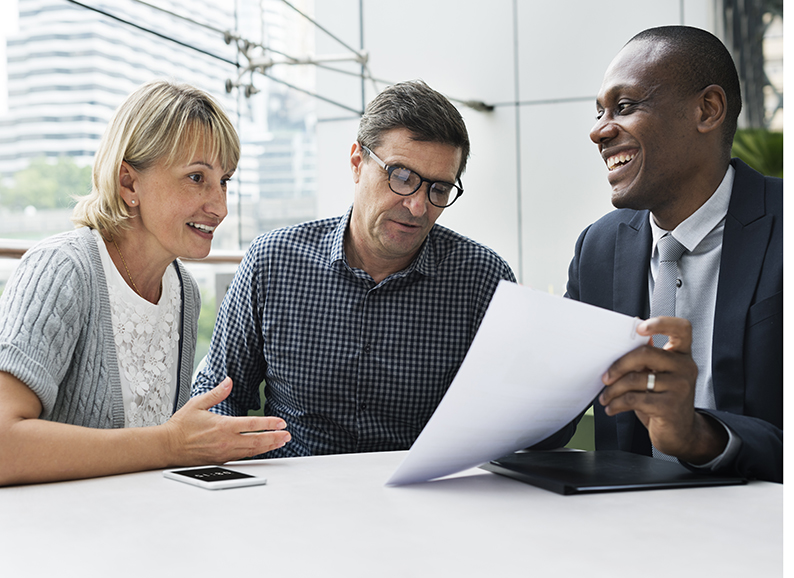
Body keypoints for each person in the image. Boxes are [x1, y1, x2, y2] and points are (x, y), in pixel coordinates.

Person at [193, 79, 516, 457]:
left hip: (422, 501)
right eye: (402, 177)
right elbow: (218, 397)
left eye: (439, 190)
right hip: (292, 498)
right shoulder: (273, 262)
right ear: (357, 163)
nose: (418, 207)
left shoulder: (482, 280)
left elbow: (516, 418)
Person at [0, 80, 290, 486]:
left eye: (224, 180)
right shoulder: (62, 270)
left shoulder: (183, 290)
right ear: (128, 184)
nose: (219, 206)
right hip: (58, 538)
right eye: (196, 178)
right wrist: (173, 444)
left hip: (140, 529)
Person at [564, 26, 782, 482]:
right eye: (600, 111)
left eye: (624, 107)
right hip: (630, 531)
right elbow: (552, 413)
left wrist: (702, 436)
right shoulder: (597, 249)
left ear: (708, 110)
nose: (598, 131)